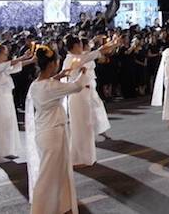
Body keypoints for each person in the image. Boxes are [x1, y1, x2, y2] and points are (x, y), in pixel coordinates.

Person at [25, 45, 88, 214]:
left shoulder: (36, 85)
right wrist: (83, 73)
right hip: (53, 134)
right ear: (52, 65)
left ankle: (61, 206)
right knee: (48, 176)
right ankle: (39, 209)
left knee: (58, 173)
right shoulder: (51, 87)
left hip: (45, 133)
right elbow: (76, 87)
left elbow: (50, 85)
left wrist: (60, 76)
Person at [63, 35, 117, 167]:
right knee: (82, 127)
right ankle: (79, 158)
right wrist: (113, 43)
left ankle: (85, 157)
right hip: (79, 95)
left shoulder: (75, 58)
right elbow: (99, 52)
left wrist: (112, 44)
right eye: (80, 45)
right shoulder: (74, 59)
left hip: (84, 94)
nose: (82, 47)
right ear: (75, 46)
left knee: (85, 127)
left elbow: (97, 51)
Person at [0, 41, 35, 163]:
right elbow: (9, 64)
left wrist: (31, 60)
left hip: (5, 98)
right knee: (0, 125)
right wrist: (23, 57)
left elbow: (13, 67)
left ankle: (7, 151)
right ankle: (1, 154)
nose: (7, 56)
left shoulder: (1, 66)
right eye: (5, 54)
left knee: (8, 124)